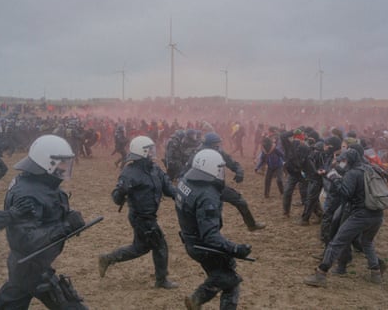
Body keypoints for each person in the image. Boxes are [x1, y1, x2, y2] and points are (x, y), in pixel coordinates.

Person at [0, 134, 88, 309]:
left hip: (33, 264)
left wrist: (67, 218)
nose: (65, 166)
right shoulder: (28, 194)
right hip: (28, 265)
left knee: (13, 297)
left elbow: (46, 215)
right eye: (61, 162)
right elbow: (26, 240)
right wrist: (66, 225)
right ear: (46, 163)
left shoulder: (40, 182)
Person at [98, 135, 178, 289]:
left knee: (140, 248)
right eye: (150, 150)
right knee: (160, 245)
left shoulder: (155, 169)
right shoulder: (129, 172)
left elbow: (168, 188)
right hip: (140, 217)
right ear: (142, 152)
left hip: (148, 216)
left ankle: (107, 258)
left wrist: (181, 197)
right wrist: (121, 192)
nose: (153, 153)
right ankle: (161, 281)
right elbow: (116, 198)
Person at [175, 149, 252, 310]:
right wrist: (235, 248)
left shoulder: (186, 182)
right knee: (230, 279)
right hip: (204, 247)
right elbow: (210, 236)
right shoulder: (207, 195)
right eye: (219, 168)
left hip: (190, 240)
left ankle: (196, 300)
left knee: (224, 278)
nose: (221, 172)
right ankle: (196, 298)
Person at [304, 148, 385, 287]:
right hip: (377, 214)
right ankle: (376, 274)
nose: (342, 163)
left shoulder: (353, 173)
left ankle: (321, 274)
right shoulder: (372, 169)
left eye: (344, 160)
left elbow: (345, 193)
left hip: (360, 214)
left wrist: (334, 178)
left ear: (349, 160)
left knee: (337, 242)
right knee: (367, 242)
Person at [185, 132, 266, 231]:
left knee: (240, 202)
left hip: (218, 186)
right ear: (210, 144)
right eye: (216, 144)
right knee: (213, 217)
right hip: (202, 188)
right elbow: (186, 171)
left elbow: (232, 162)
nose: (219, 146)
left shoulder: (218, 151)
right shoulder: (197, 154)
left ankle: (251, 225)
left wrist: (239, 171)